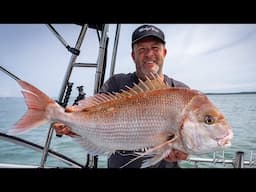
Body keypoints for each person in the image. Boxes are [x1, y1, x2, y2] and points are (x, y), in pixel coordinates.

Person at [54, 24, 189, 168]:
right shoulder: (116, 83)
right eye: (142, 49)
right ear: (133, 55)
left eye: (155, 48)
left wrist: (184, 151)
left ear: (164, 53)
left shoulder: (181, 92)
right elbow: (92, 123)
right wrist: (71, 124)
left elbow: (192, 140)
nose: (149, 54)